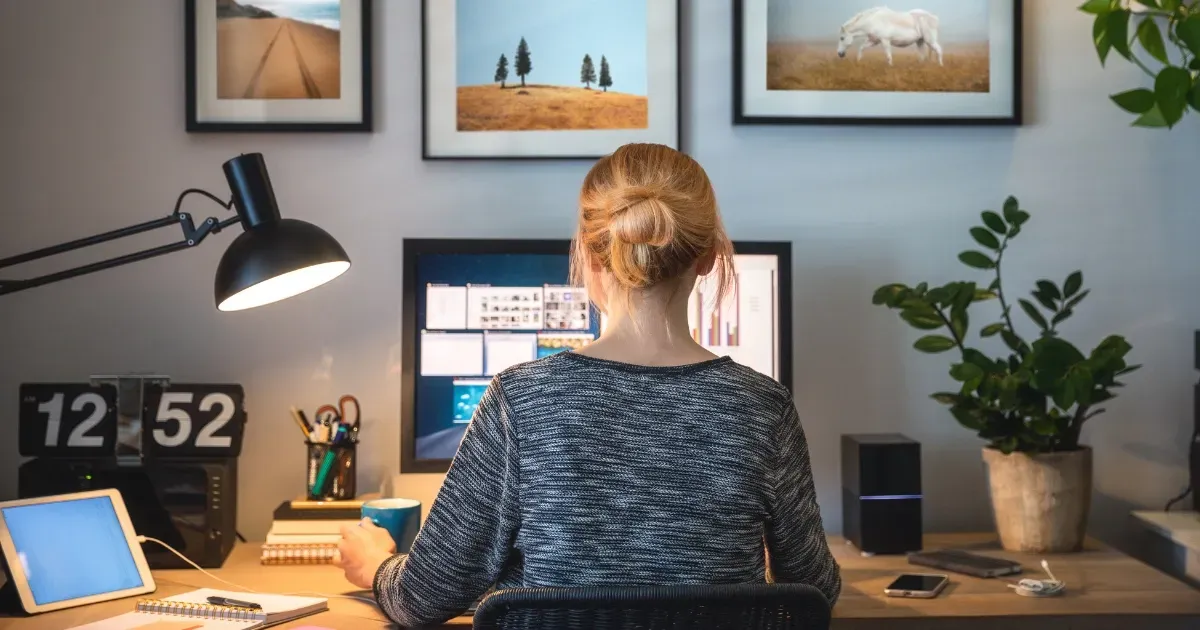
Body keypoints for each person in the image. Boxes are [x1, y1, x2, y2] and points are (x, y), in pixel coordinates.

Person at [334, 143, 842, 627]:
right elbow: (815, 589)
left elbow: (422, 598)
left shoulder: (521, 400)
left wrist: (375, 565)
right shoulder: (763, 406)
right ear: (709, 257)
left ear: (591, 255)